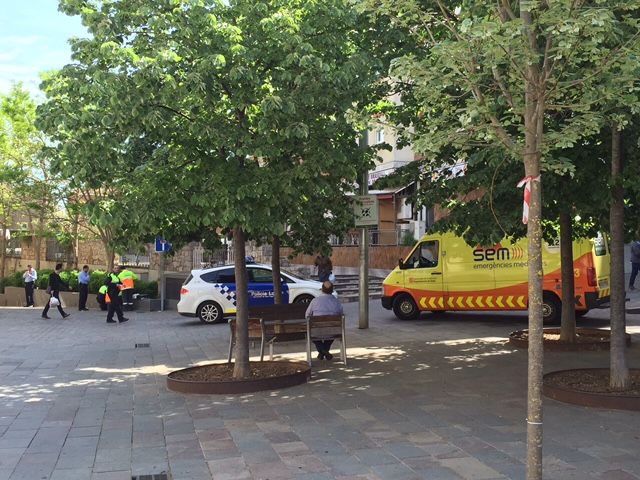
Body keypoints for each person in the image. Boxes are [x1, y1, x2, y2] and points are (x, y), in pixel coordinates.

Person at [305, 280, 344, 360]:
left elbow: (307, 315)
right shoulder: (337, 302)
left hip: (316, 331)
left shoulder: (314, 301)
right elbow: (341, 315)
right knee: (332, 332)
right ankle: (325, 350)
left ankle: (322, 350)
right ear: (332, 290)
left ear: (322, 290)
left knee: (310, 333)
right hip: (333, 331)